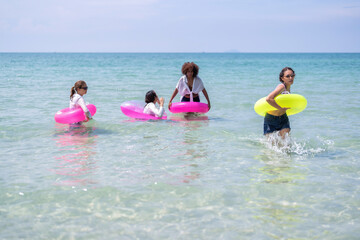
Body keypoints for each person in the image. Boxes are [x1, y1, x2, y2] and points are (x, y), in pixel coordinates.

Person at [264, 67, 295, 138]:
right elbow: (269, 99)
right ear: (282, 78)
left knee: (286, 144)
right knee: (271, 146)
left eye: (292, 75)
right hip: (271, 118)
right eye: (288, 76)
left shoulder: (288, 87)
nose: (291, 78)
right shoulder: (282, 87)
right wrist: (281, 108)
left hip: (283, 117)